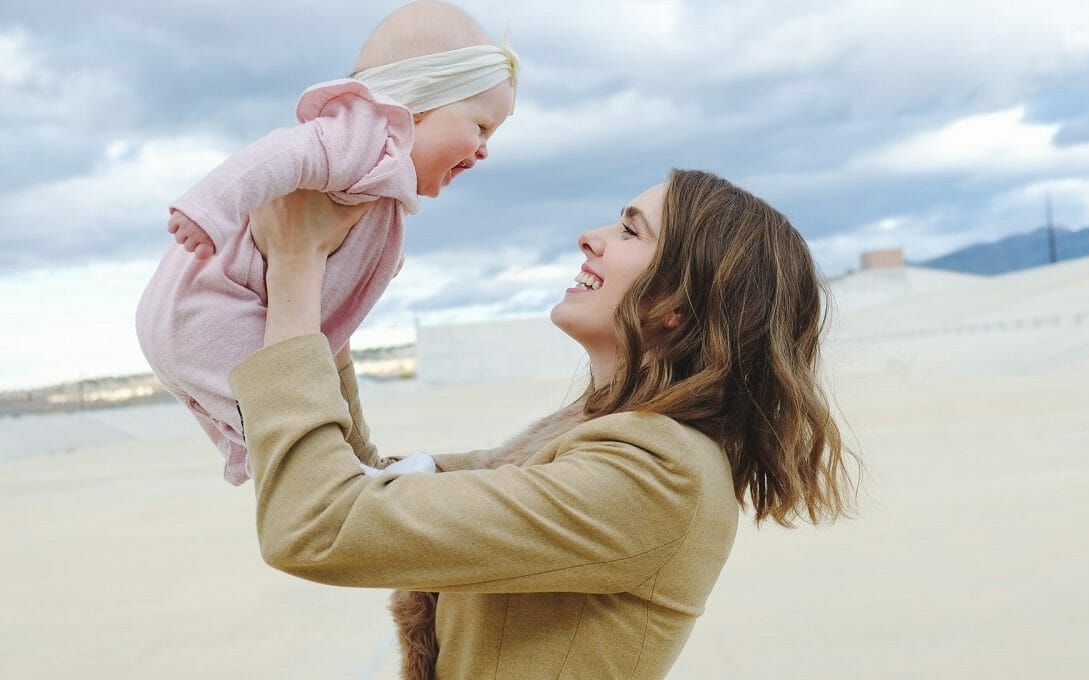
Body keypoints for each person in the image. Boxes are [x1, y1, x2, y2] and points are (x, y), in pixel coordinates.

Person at [227, 169, 855, 679]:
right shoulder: (601, 435)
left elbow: (316, 524)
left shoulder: (657, 474)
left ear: (678, 303)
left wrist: (296, 267)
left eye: (631, 232)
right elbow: (373, 492)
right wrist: (330, 303)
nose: (591, 235)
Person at [134, 1, 518, 485]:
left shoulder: (384, 191)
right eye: (480, 127)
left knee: (280, 410)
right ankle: (325, 475)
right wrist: (208, 209)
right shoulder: (364, 137)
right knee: (285, 414)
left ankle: (273, 459)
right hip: (209, 310)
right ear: (419, 103)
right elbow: (282, 153)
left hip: (197, 321)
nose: (485, 150)